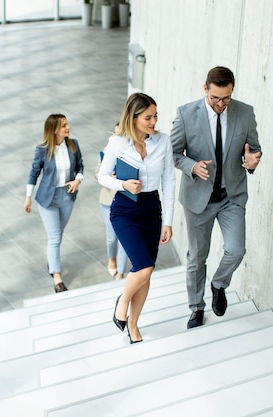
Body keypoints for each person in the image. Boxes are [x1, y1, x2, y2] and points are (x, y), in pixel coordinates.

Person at [170, 66, 262, 329]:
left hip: (231, 196)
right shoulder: (186, 114)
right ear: (205, 89)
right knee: (197, 258)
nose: (221, 104)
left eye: (226, 98)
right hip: (198, 198)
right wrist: (192, 167)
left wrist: (253, 162)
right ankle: (196, 308)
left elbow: (254, 150)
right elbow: (174, 154)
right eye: (215, 98)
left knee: (236, 249)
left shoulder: (245, 113)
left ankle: (219, 284)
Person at [98, 93, 175, 343]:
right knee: (144, 267)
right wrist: (122, 184)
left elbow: (169, 181)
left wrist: (169, 221)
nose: (154, 122)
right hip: (125, 209)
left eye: (155, 116)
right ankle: (122, 302)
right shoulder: (117, 143)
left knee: (146, 274)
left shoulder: (162, 142)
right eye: (148, 117)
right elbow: (102, 176)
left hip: (152, 209)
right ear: (133, 118)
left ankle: (133, 324)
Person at [24, 114, 84, 293]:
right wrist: (28, 196)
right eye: (64, 125)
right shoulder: (42, 150)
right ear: (54, 130)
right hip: (48, 199)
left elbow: (80, 166)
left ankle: (52, 260)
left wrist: (77, 180)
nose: (68, 127)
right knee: (55, 237)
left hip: (67, 196)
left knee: (58, 233)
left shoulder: (73, 145)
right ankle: (57, 276)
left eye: (67, 124)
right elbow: (33, 173)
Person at [95, 123, 128, 279]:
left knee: (124, 237)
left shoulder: (132, 151)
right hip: (108, 200)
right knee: (112, 237)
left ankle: (120, 272)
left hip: (127, 200)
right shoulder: (107, 150)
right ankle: (112, 259)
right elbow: (97, 173)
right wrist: (108, 177)